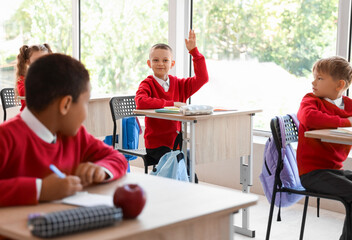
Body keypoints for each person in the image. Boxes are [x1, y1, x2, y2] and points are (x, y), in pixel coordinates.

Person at [0, 53, 128, 207]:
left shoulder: (75, 136)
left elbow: (117, 158)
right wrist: (41, 189)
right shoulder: (5, 138)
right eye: (85, 102)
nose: (86, 111)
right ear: (66, 104)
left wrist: (102, 170)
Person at [297, 56, 352, 240]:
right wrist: (346, 123)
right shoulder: (310, 101)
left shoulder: (349, 106)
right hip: (312, 173)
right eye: (315, 77)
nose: (313, 82)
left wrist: (349, 120)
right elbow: (309, 118)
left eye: (320, 78)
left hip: (334, 171)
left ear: (339, 85)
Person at [135, 30, 208, 163]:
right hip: (156, 145)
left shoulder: (180, 84)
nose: (160, 64)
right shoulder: (147, 83)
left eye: (165, 60)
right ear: (149, 63)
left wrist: (194, 52)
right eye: (155, 60)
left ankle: (190, 183)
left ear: (172, 63)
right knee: (178, 164)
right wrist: (172, 103)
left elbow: (202, 78)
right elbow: (140, 102)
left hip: (177, 143)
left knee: (189, 170)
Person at [15, 44, 53, 111]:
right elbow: (29, 93)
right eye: (37, 60)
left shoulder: (52, 76)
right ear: (28, 62)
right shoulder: (22, 79)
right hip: (30, 116)